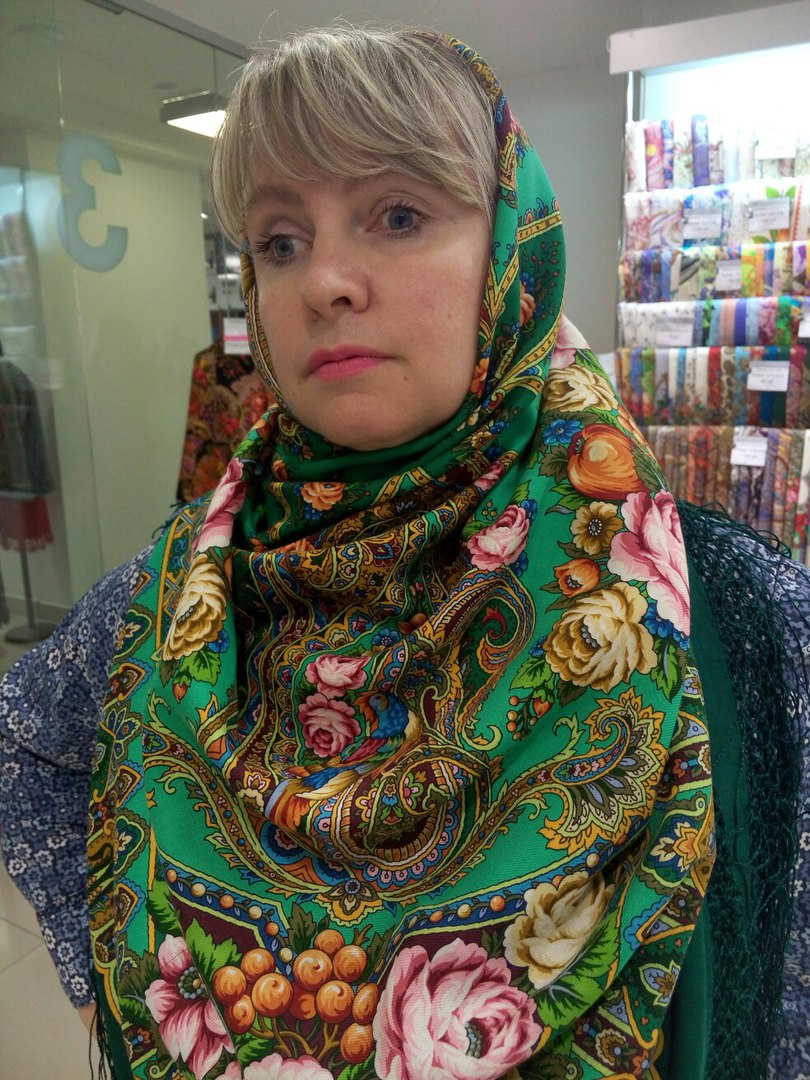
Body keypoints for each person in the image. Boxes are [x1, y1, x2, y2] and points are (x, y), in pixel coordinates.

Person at [0, 25, 806, 1080]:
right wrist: (114, 976)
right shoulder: (185, 585)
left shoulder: (719, 605)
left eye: (398, 215)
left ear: (510, 245)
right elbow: (28, 746)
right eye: (280, 240)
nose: (324, 280)